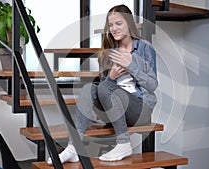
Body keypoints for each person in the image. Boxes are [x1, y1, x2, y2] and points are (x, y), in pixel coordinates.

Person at [47, 4, 158, 164]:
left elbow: (153, 85)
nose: (114, 28)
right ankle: (74, 148)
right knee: (88, 88)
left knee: (105, 86)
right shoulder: (109, 52)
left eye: (118, 23)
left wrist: (131, 65)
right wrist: (111, 77)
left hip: (140, 109)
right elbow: (104, 90)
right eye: (111, 25)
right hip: (116, 110)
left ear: (129, 23)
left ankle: (123, 143)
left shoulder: (144, 48)